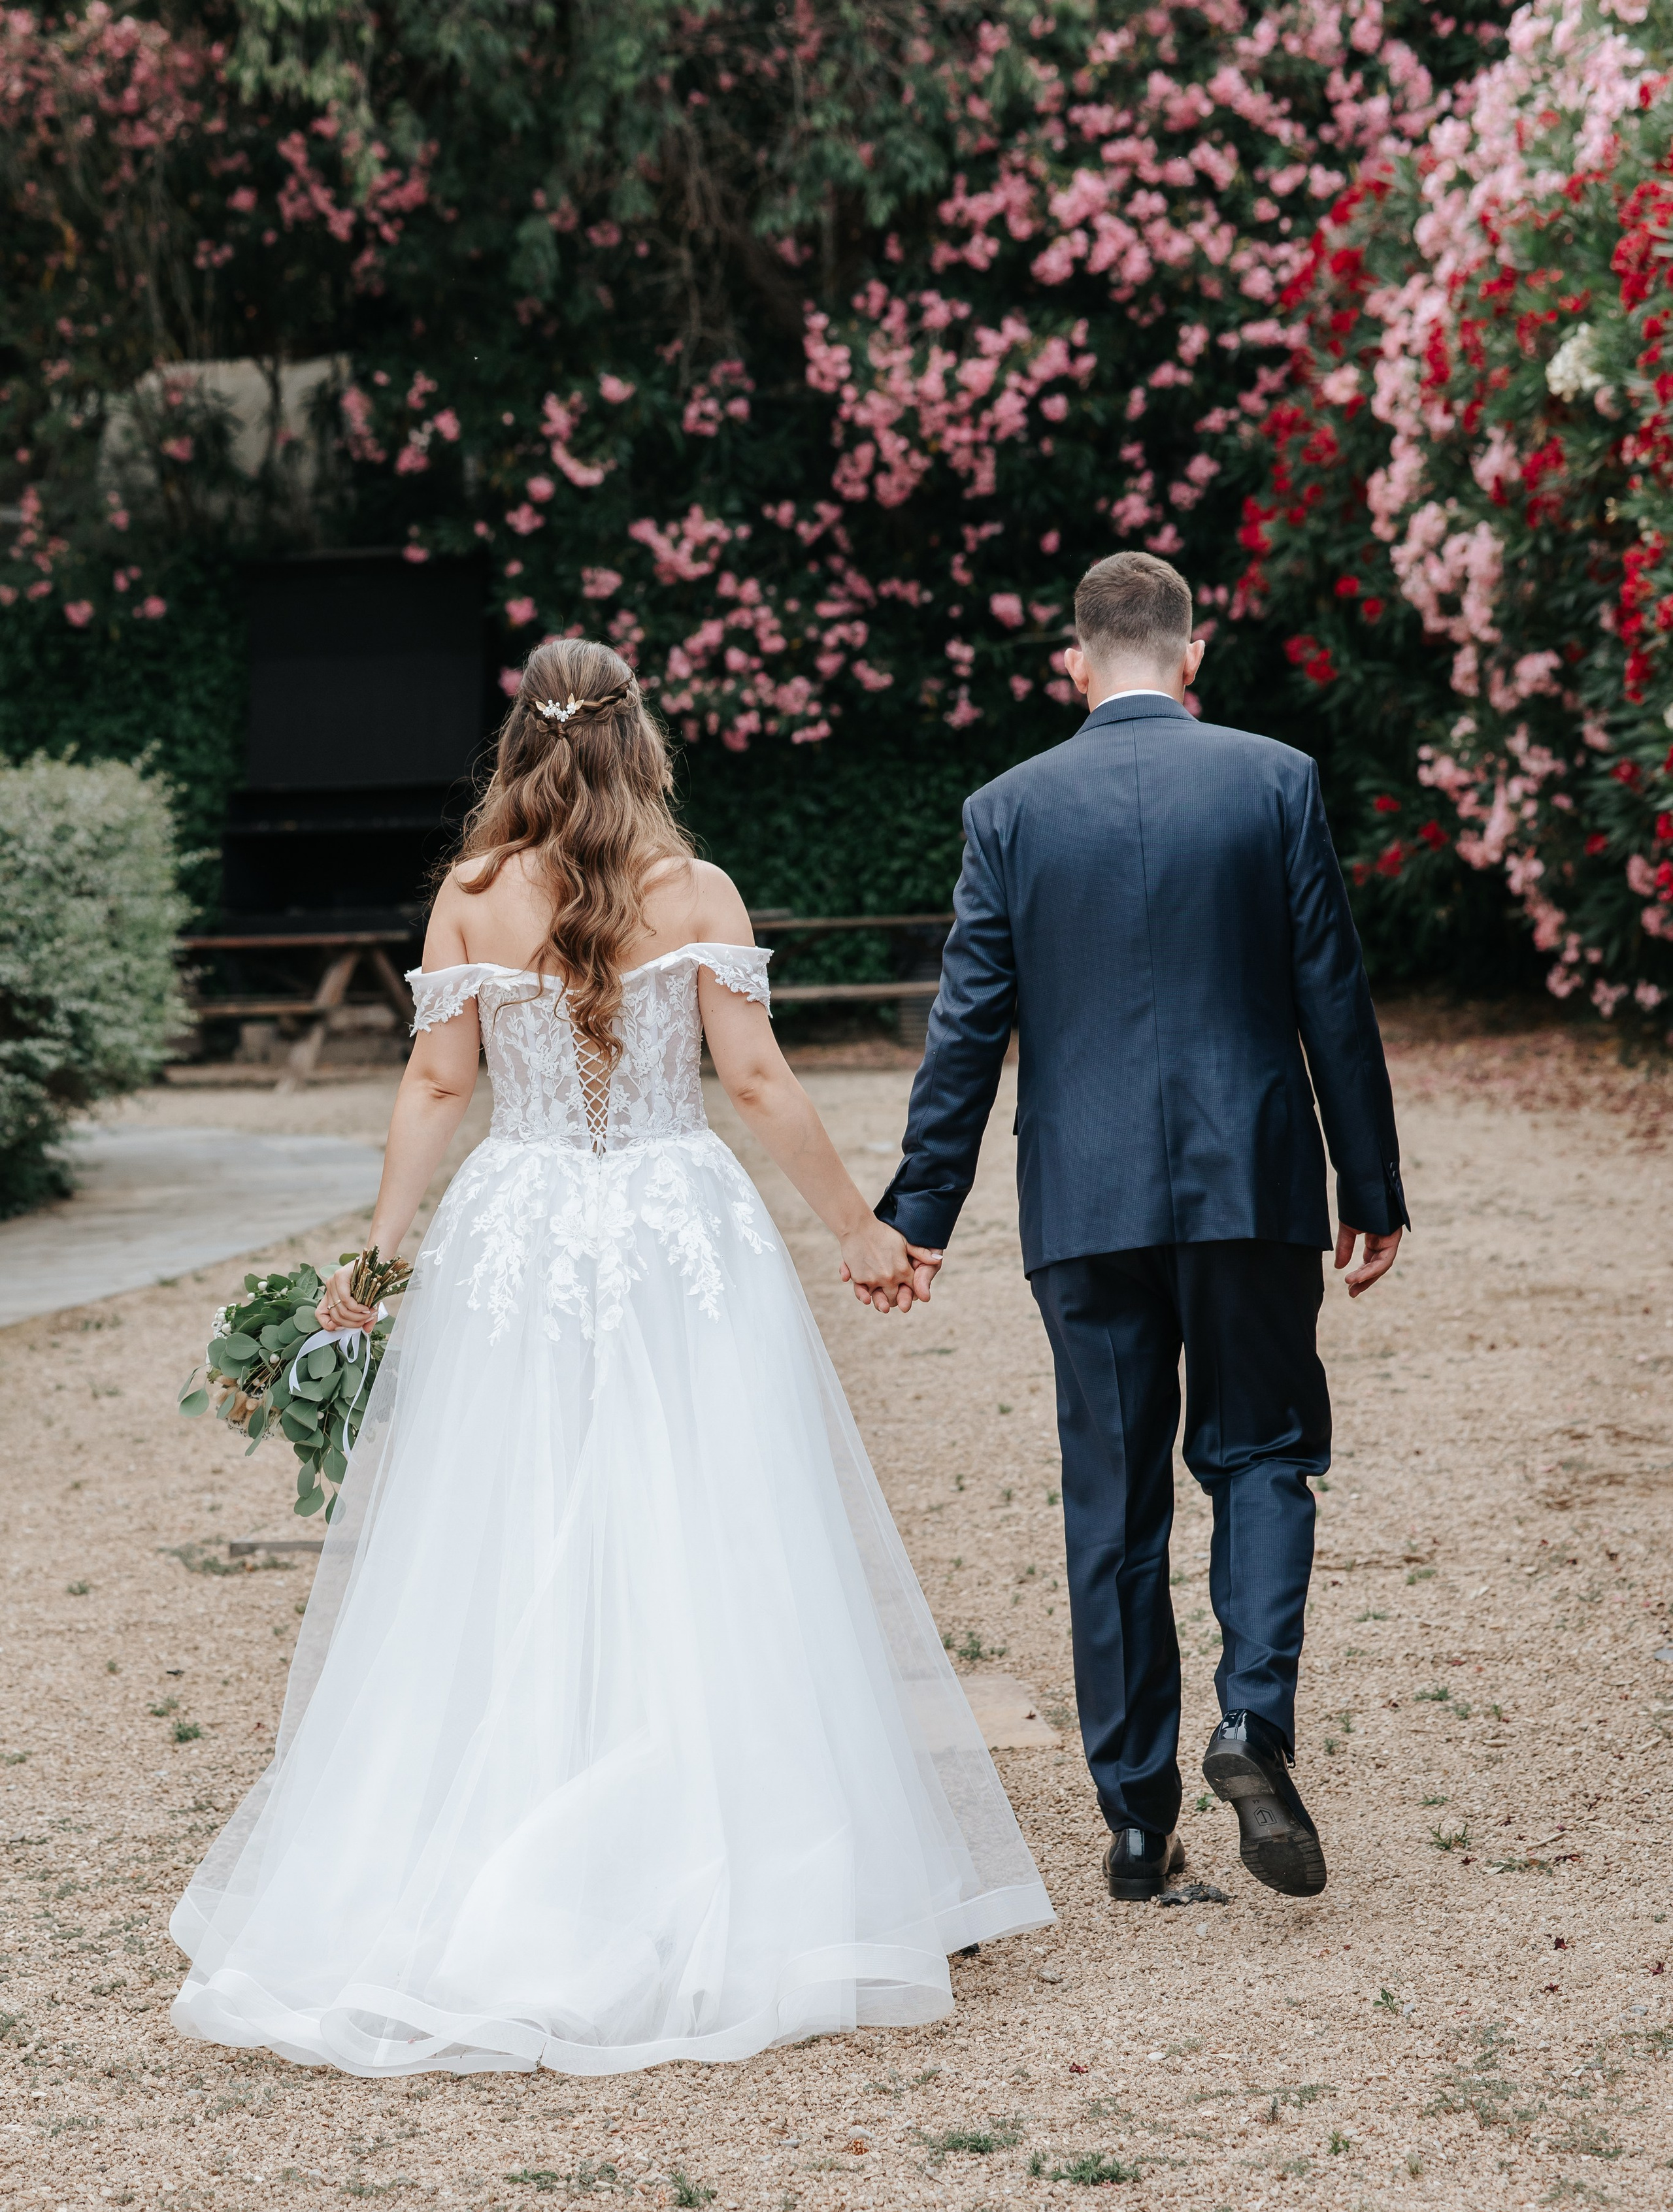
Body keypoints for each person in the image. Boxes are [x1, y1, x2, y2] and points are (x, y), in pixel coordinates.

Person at [169, 640, 1052, 2077]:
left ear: (516, 741)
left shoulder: (468, 897)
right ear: (639, 740)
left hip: (518, 1232)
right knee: (704, 1515)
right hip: (668, 1226)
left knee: (500, 1522)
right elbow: (754, 1080)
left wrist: (378, 1266)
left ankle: (488, 1839)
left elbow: (436, 1084)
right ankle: (707, 1844)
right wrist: (861, 1232)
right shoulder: (691, 892)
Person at [874, 551, 1407, 1903]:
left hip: (1085, 1201)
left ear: (1073, 665)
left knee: (1110, 1505)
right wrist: (1369, 1184)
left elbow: (966, 1032)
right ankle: (1251, 1722)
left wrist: (920, 1208)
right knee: (1262, 1454)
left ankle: (1131, 1821)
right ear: (1191, 654)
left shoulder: (1006, 809)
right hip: (1250, 1183)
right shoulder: (1271, 779)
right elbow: (1328, 998)